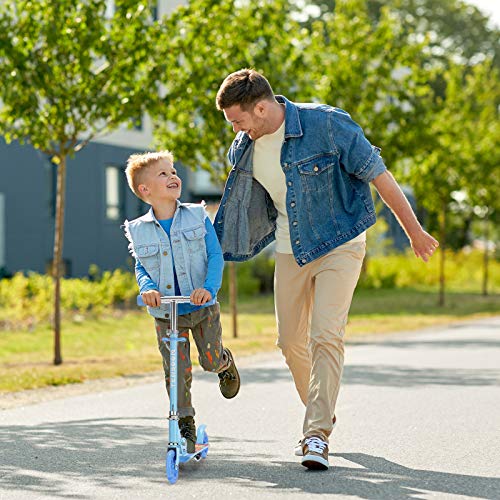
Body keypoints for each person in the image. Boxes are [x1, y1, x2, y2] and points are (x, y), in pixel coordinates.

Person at [214, 69, 438, 470]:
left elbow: (380, 177)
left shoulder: (328, 124)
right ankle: (323, 408)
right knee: (288, 342)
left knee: (326, 335)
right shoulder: (242, 147)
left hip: (340, 242)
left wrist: (415, 232)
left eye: (238, 119)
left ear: (261, 107)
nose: (236, 129)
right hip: (290, 248)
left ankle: (315, 434)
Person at [123, 150, 240, 453]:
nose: (173, 176)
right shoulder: (138, 230)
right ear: (145, 190)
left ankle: (224, 363)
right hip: (166, 313)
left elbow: (214, 255)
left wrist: (209, 288)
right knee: (176, 370)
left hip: (201, 306)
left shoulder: (197, 215)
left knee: (209, 361)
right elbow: (141, 268)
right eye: (163, 174)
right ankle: (183, 422)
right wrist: (147, 288)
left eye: (173, 171)